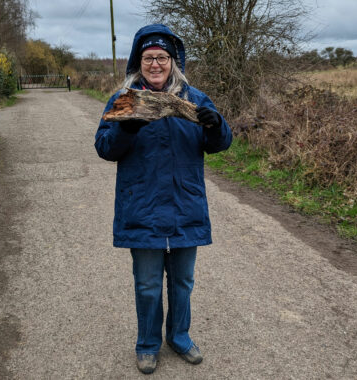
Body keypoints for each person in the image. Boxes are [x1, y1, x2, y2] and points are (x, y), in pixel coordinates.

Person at [95, 24, 232, 375]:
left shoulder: (195, 98)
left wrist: (216, 125)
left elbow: (219, 144)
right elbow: (105, 148)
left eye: (162, 57)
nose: (155, 64)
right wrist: (127, 128)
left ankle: (180, 337)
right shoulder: (123, 100)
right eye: (148, 58)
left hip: (185, 206)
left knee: (183, 282)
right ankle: (147, 344)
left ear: (173, 61)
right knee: (148, 285)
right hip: (140, 206)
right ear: (137, 62)